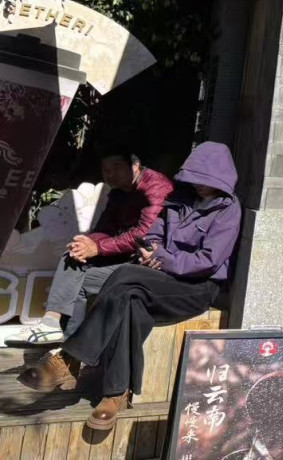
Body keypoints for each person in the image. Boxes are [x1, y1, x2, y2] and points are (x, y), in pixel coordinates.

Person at [19, 141, 242, 432]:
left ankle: (70, 357)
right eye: (195, 178)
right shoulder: (180, 197)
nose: (198, 184)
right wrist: (151, 250)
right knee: (128, 299)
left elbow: (208, 261)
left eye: (205, 179)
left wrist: (163, 258)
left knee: (125, 275)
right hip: (157, 276)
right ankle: (116, 394)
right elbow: (154, 233)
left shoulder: (228, 210)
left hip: (197, 287)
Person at [6, 149, 173, 346]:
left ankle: (69, 341)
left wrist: (97, 248)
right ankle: (52, 325)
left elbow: (143, 233)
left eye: (116, 168)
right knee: (73, 256)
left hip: (149, 261)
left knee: (79, 281)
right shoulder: (118, 192)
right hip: (125, 253)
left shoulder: (155, 187)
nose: (110, 174)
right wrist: (86, 243)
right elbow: (105, 228)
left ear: (135, 166)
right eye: (106, 170)